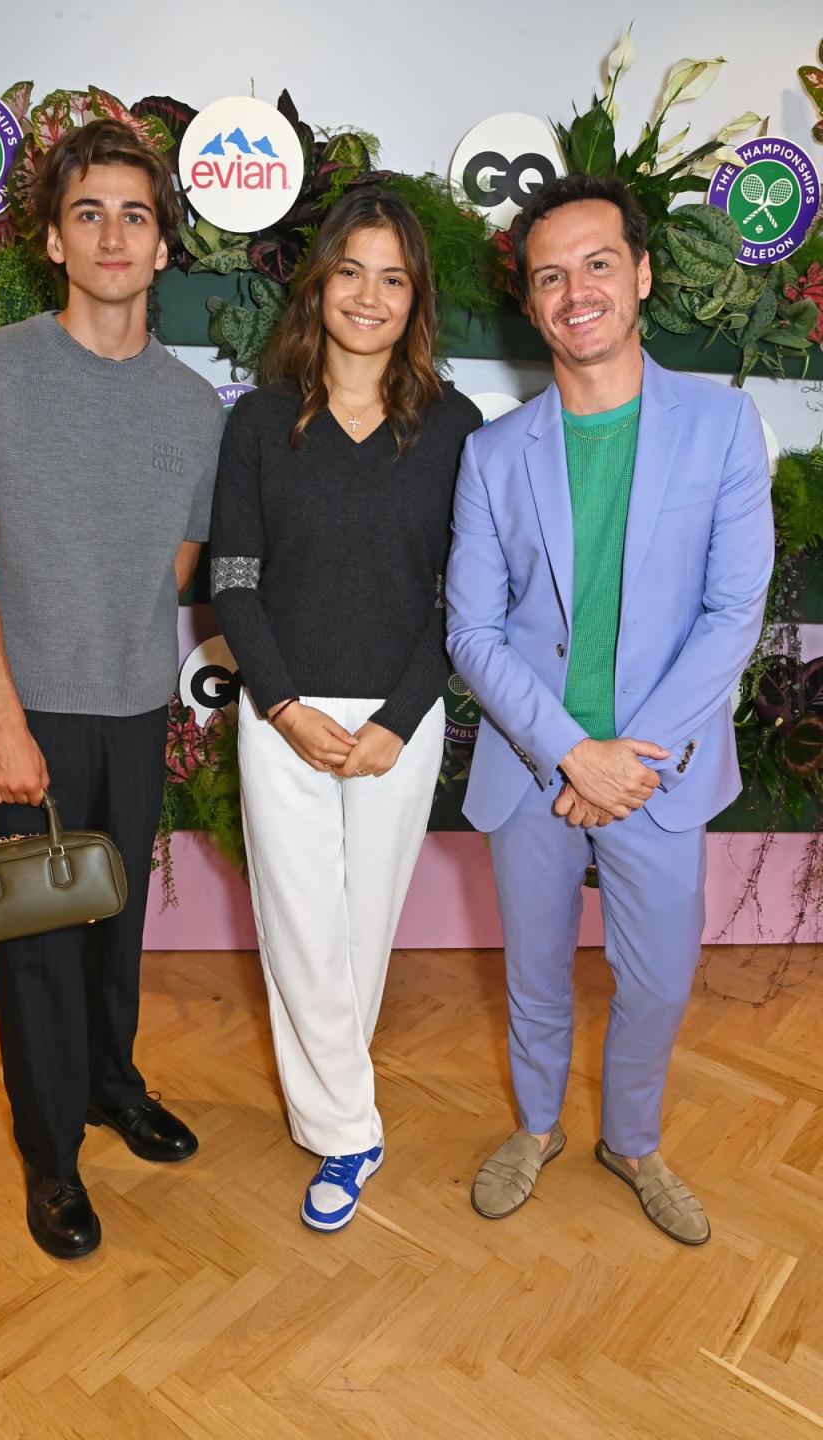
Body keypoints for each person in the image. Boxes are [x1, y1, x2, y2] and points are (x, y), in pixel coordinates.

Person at [0, 119, 225, 1259]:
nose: (111, 234)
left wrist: (120, 643)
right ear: (53, 236)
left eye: (135, 216)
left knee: (115, 920)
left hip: (133, 702)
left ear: (159, 249)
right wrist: (2, 719)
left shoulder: (196, 410)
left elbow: (181, 567)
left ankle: (111, 1082)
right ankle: (51, 1163)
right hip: (22, 706)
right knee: (38, 943)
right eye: (88, 211)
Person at [446, 174, 773, 1244]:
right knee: (533, 976)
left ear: (639, 275)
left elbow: (733, 611)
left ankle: (630, 1140)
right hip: (536, 768)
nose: (575, 290)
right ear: (531, 304)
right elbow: (472, 633)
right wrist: (570, 754)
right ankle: (536, 1126)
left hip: (658, 776)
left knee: (659, 984)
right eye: (550, 275)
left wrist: (629, 761)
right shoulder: (494, 455)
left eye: (597, 264)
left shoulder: (723, 425)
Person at [210, 188, 481, 1231]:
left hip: (397, 725)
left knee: (360, 934)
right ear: (318, 284)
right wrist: (280, 705)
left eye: (395, 278)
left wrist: (400, 718)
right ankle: (347, 1134)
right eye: (351, 272)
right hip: (284, 715)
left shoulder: (457, 427)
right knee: (301, 931)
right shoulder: (261, 421)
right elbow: (234, 578)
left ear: (417, 301)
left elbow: (467, 596)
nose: (369, 296)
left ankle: (331, 1107)